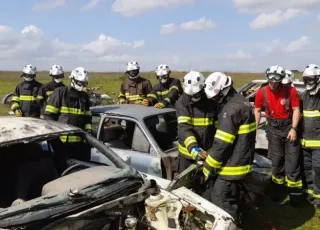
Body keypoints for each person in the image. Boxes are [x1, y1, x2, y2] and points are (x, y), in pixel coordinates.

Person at [202, 72, 256, 228]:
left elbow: (222, 144)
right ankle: (240, 222)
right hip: (242, 162)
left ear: (224, 90)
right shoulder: (242, 102)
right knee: (235, 198)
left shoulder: (230, 110)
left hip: (232, 167)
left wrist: (208, 166)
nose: (214, 99)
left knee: (221, 198)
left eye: (216, 96)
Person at [254, 65, 303, 205]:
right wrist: (255, 128)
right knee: (276, 162)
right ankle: (277, 195)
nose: (273, 83)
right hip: (274, 130)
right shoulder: (261, 92)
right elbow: (257, 111)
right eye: (271, 80)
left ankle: (295, 198)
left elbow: (296, 109)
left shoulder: (291, 91)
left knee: (292, 163)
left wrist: (293, 128)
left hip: (289, 128)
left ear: (281, 80)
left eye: (276, 81)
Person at [44, 67, 92, 161]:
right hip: (62, 144)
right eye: (79, 83)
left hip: (79, 144)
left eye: (84, 83)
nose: (81, 85)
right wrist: (54, 140)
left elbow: (87, 117)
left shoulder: (84, 96)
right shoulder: (60, 93)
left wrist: (88, 132)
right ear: (72, 79)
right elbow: (48, 116)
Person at [175, 70, 217, 174]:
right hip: (187, 155)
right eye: (190, 94)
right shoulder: (182, 102)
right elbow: (184, 128)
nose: (193, 97)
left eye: (196, 94)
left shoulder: (211, 101)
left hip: (208, 154)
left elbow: (217, 127)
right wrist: (193, 147)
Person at [300, 64, 320, 208]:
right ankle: (310, 194)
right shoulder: (304, 96)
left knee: (318, 170)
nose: (308, 82)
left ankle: (318, 197)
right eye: (305, 79)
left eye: (310, 79)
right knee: (307, 169)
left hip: (319, 144)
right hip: (305, 142)